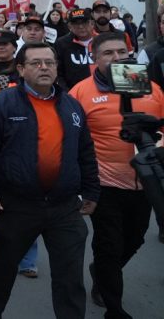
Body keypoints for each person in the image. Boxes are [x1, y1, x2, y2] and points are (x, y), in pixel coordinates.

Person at [0, 42, 99, 319]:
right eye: (36, 63)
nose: (44, 68)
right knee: (1, 271)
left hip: (64, 207)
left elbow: (85, 151)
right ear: (21, 69)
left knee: (69, 278)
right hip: (17, 206)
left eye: (50, 63)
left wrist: (91, 189)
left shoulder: (71, 106)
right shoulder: (1, 103)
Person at [69, 32, 164, 318]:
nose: (116, 58)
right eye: (108, 53)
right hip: (103, 183)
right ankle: (114, 308)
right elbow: (72, 138)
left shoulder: (153, 89)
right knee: (108, 245)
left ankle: (102, 273)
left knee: (134, 240)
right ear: (95, 58)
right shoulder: (81, 92)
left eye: (121, 51)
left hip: (145, 181)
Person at [55, 7, 95, 89]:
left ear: (92, 23)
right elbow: (58, 73)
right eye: (76, 23)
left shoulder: (102, 41)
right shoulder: (61, 43)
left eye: (84, 22)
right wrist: (67, 94)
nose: (81, 26)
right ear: (70, 26)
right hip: (73, 94)